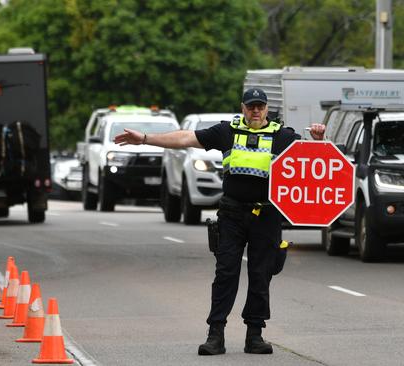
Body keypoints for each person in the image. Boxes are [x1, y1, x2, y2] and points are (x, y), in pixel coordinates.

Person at [114, 88, 326, 355]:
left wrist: (319, 141)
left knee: (260, 274)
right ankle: (216, 335)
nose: (256, 111)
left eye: (260, 106)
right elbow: (185, 138)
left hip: (267, 216)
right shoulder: (227, 131)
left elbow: (313, 163)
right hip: (233, 214)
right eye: (251, 106)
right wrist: (144, 139)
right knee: (226, 274)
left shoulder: (283, 136)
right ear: (243, 107)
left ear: (267, 108)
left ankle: (255, 335)